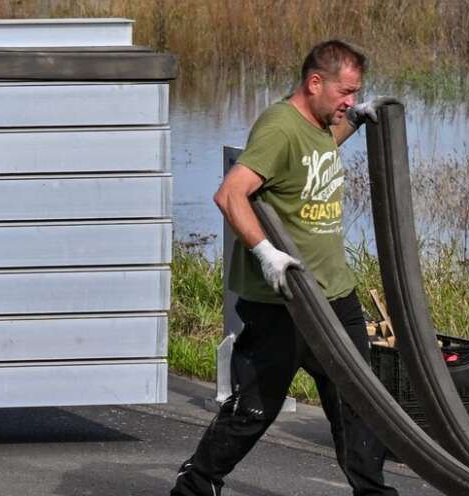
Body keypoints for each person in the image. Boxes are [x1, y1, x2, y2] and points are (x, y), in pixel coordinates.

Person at [170, 40, 397, 496]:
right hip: (285, 300)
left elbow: (316, 149)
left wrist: (354, 118)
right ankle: (195, 485)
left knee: (358, 403)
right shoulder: (279, 127)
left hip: (335, 294)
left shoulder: (319, 123)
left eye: (356, 93)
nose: (350, 100)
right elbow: (230, 193)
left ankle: (373, 493)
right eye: (346, 92)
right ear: (315, 83)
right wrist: (266, 254)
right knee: (256, 406)